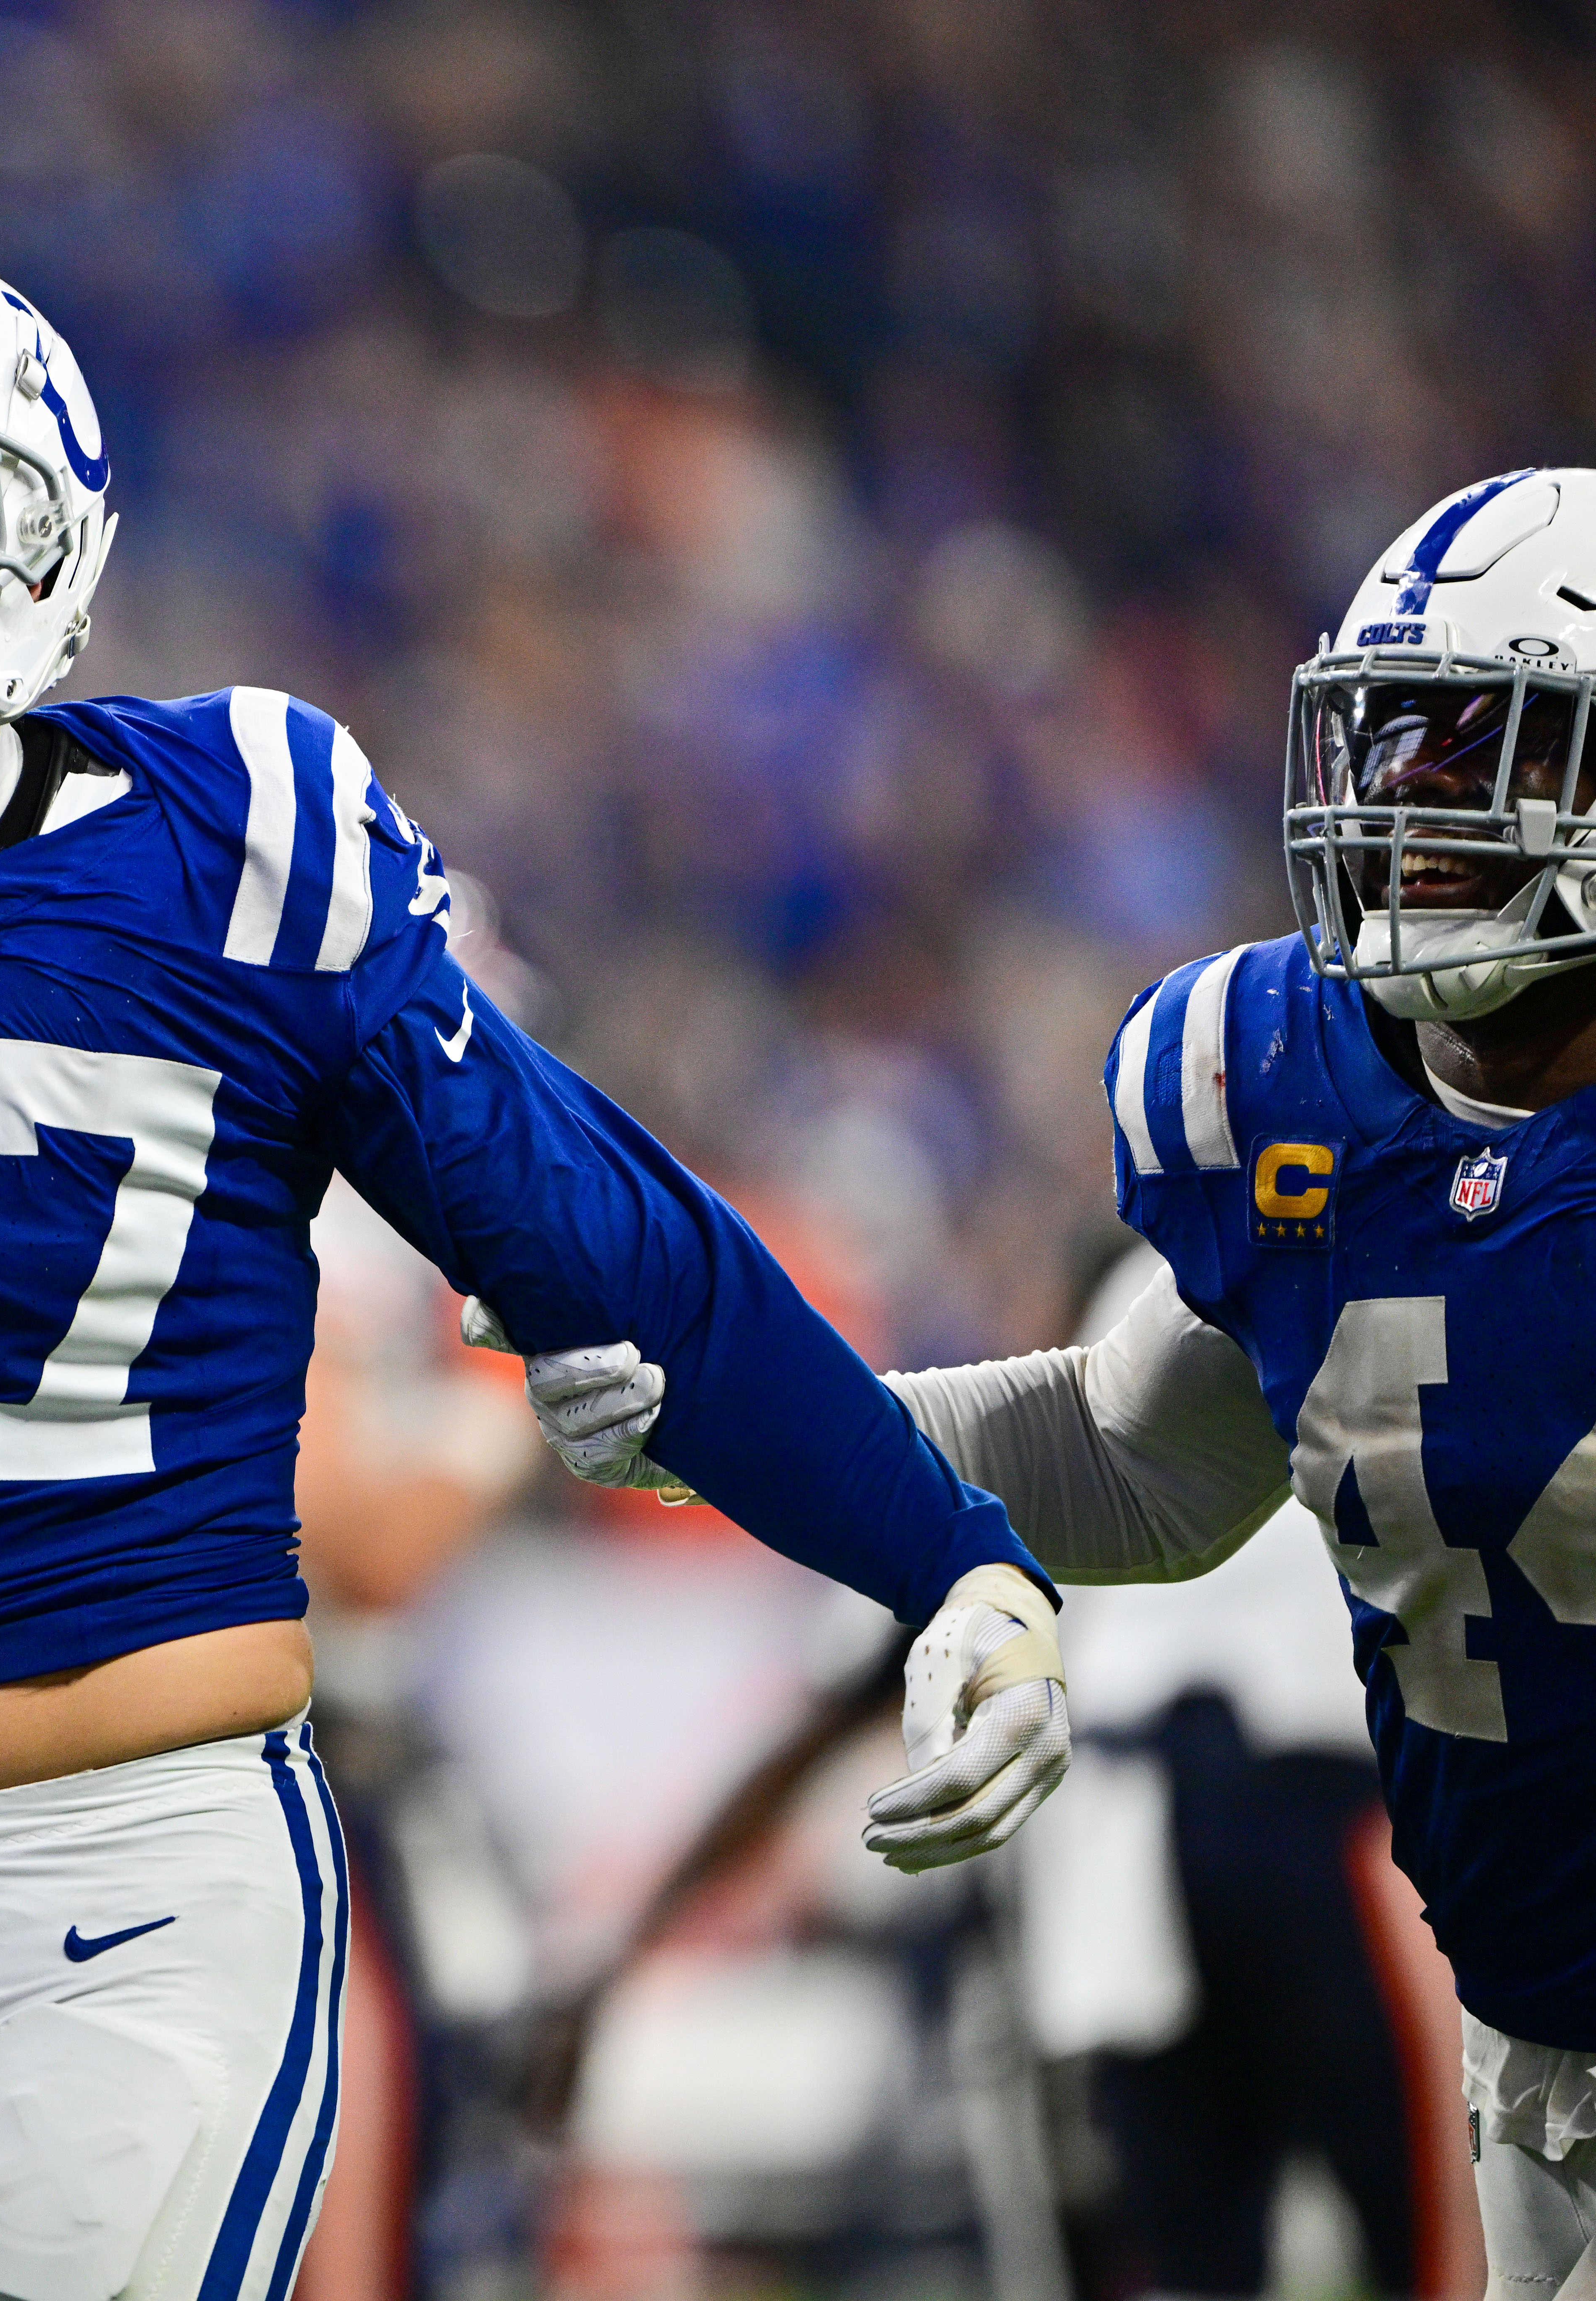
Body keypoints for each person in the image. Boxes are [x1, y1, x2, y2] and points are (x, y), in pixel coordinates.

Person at [0, 228, 1073, 2301]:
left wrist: (949, 1557)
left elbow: (604, 1237)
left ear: (23, 539)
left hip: (128, 1876)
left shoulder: (238, 846)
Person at [498, 467, 1596, 2301]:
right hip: (1533, 2034)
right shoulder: (1296, 1089)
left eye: (1491, 742)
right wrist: (731, 1414)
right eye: (1396, 735)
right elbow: (1129, 1458)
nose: (1415, 798)